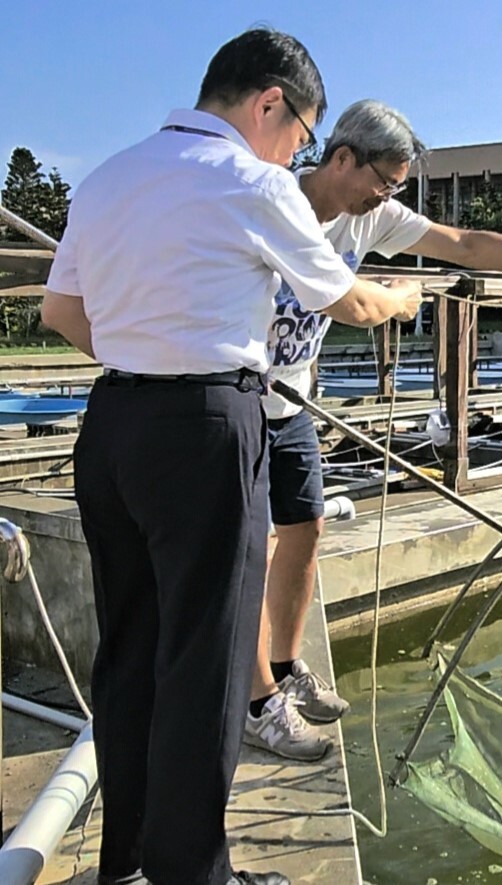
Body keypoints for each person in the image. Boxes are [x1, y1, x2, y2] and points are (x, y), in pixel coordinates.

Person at [40, 31, 421, 885]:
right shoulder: (254, 183)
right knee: (207, 663)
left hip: (112, 422)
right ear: (269, 104)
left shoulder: (108, 175)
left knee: (131, 649)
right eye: (302, 137)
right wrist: (400, 297)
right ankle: (192, 874)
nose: (299, 155)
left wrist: (149, 347)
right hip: (208, 424)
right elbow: (345, 297)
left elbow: (61, 311)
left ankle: (127, 866)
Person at [248, 99, 502, 759]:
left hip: (292, 403)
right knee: (252, 554)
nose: (385, 197)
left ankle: (284, 666)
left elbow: (463, 244)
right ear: (340, 157)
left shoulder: (372, 218)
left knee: (304, 530)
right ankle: (258, 704)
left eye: (396, 187)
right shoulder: (270, 199)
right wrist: (393, 300)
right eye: (382, 181)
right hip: (239, 400)